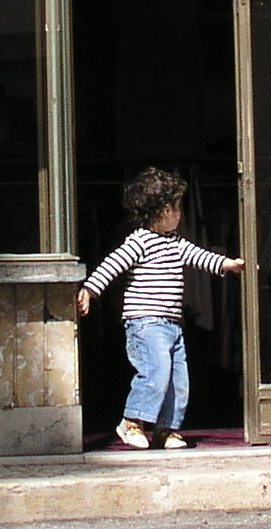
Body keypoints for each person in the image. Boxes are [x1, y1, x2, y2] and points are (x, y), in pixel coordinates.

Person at [77, 166, 243, 450]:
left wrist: (229, 264)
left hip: (172, 324)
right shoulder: (139, 241)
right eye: (178, 208)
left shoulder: (175, 242)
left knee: (179, 380)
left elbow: (200, 257)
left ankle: (165, 429)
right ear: (165, 211)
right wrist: (90, 290)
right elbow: (111, 265)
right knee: (156, 372)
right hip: (146, 323)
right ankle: (131, 422)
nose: (180, 214)